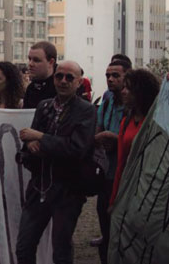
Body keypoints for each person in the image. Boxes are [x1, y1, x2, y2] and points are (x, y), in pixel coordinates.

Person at [16, 61, 96, 264]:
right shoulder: (44, 106)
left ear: (79, 82)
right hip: (39, 186)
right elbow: (29, 141)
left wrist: (41, 138)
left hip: (68, 190)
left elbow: (76, 149)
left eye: (70, 77)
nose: (63, 81)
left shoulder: (86, 111)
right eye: (59, 76)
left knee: (60, 249)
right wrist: (31, 145)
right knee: (24, 246)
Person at [91, 59, 131, 262]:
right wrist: (99, 138)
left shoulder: (136, 103)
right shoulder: (106, 99)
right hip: (107, 172)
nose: (110, 79)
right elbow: (98, 124)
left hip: (128, 173)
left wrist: (116, 139)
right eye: (108, 75)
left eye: (116, 75)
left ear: (127, 76)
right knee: (104, 216)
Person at [109, 69, 161, 208]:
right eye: (124, 87)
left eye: (128, 88)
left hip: (154, 192)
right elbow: (121, 163)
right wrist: (114, 199)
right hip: (130, 190)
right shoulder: (126, 122)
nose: (123, 91)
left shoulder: (158, 122)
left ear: (141, 91)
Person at [23, 41, 57, 109]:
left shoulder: (61, 86)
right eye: (29, 59)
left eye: (36, 60)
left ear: (51, 62)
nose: (30, 64)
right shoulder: (31, 88)